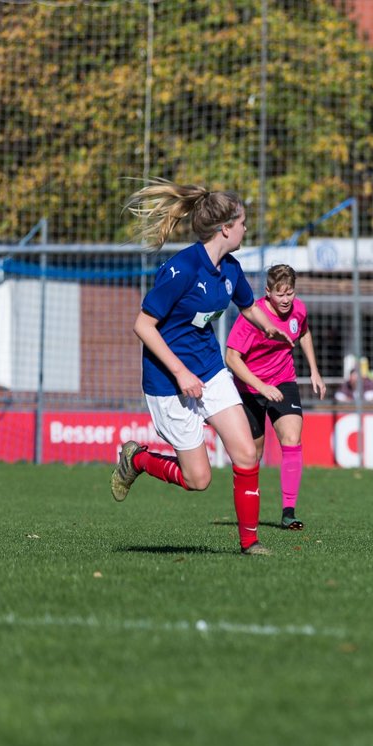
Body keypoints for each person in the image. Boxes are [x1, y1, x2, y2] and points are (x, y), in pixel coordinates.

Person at [109, 178, 292, 556]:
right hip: (167, 380)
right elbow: (143, 326)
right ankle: (137, 459)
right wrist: (179, 372)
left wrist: (269, 326)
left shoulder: (231, 268)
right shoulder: (182, 269)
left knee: (246, 453)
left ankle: (250, 543)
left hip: (209, 370)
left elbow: (247, 305)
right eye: (242, 222)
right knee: (199, 479)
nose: (245, 228)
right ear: (226, 228)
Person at [224, 264, 326, 531]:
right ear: (267, 292)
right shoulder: (251, 317)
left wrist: (314, 371)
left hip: (283, 380)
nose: (286, 300)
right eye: (280, 295)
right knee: (252, 454)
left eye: (290, 293)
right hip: (250, 388)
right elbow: (231, 359)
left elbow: (303, 332)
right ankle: (249, 510)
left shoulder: (299, 310)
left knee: (292, 439)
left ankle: (289, 512)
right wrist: (260, 386)